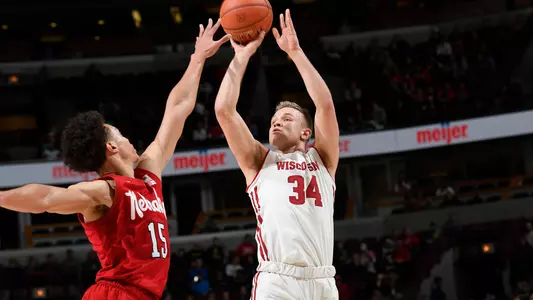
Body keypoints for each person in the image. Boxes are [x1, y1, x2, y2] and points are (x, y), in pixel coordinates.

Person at [0, 19, 230, 300]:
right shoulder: (104, 191)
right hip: (115, 294)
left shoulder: (148, 174)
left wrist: (197, 59)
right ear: (111, 147)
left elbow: (178, 110)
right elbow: (45, 198)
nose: (130, 139)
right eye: (122, 135)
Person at [214, 9, 339, 300]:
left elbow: (326, 105)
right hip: (277, 279)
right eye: (274, 119)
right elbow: (224, 111)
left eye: (286, 118)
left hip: (322, 279)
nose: (276, 121)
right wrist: (241, 57)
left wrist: (295, 53)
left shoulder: (322, 159)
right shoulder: (259, 160)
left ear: (306, 133)